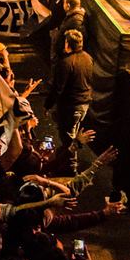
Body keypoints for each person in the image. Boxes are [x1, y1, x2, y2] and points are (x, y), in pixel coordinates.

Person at [44, 29, 93, 173]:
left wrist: (48, 105)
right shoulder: (88, 58)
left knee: (69, 139)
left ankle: (70, 169)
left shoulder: (65, 63)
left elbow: (57, 88)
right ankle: (65, 161)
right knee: (73, 134)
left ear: (67, 44)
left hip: (71, 106)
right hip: (84, 105)